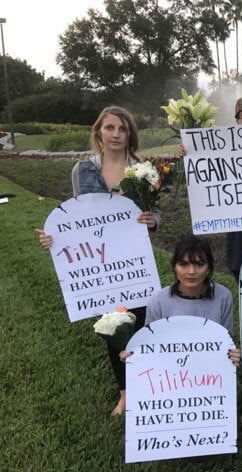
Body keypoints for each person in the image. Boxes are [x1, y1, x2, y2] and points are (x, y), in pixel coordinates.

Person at [35, 105, 158, 416]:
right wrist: (54, 238)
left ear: (130, 134)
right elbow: (77, 218)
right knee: (113, 326)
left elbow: (156, 214)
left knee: (141, 324)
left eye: (122, 128)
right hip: (100, 265)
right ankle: (126, 393)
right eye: (109, 128)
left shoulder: (142, 169)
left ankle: (147, 383)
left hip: (134, 263)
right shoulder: (83, 171)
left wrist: (152, 221)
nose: (115, 134)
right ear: (99, 132)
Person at [178, 95, 242, 282]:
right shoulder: (223, 152)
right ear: (237, 122)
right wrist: (192, 156)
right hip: (241, 246)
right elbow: (205, 187)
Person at [121, 235, 241, 366]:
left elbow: (227, 340)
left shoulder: (223, 296)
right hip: (170, 375)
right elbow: (148, 344)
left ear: (208, 268)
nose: (191, 271)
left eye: (199, 264)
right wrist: (133, 355)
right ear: (174, 267)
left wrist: (232, 354)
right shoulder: (158, 301)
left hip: (210, 374)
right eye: (183, 264)